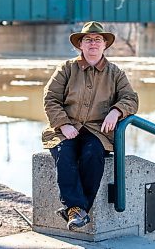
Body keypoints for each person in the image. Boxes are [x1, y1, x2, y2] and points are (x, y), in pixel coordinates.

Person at [42, 21, 139, 231]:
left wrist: (117, 110)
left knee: (92, 154)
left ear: (104, 44)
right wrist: (63, 124)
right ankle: (78, 210)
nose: (93, 44)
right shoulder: (66, 69)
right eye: (88, 39)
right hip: (66, 128)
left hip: (97, 131)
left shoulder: (116, 73)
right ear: (81, 45)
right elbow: (50, 98)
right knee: (64, 152)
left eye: (97, 40)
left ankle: (74, 209)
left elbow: (131, 98)